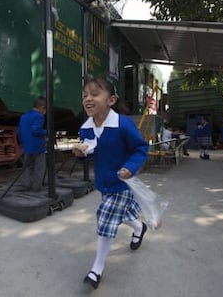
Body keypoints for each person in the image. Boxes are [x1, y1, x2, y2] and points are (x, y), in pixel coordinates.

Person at [72, 76, 149, 290]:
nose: (88, 99)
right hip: (104, 183)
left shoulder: (123, 124)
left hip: (122, 184)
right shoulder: (85, 128)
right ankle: (139, 227)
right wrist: (81, 154)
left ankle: (96, 269)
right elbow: (90, 151)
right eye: (85, 95)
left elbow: (141, 149)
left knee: (105, 220)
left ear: (111, 100)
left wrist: (130, 168)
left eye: (95, 94)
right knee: (121, 215)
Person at [17, 96, 47, 192]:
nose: (45, 113)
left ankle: (27, 184)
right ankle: (36, 188)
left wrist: (23, 142)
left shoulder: (24, 116)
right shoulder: (39, 116)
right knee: (39, 168)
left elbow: (19, 132)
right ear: (42, 108)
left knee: (27, 167)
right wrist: (46, 132)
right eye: (45, 110)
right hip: (38, 147)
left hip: (27, 147)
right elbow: (36, 130)